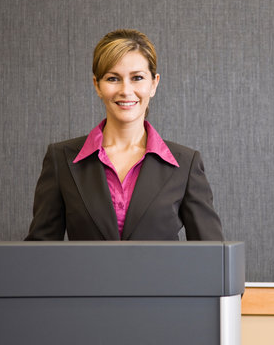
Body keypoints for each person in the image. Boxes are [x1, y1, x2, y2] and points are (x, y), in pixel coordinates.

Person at [25, 29, 224, 241]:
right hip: (85, 276)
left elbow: (211, 256)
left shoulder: (185, 164)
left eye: (137, 78)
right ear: (97, 85)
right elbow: (40, 253)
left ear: (154, 84)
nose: (126, 90)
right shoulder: (61, 159)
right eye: (113, 78)